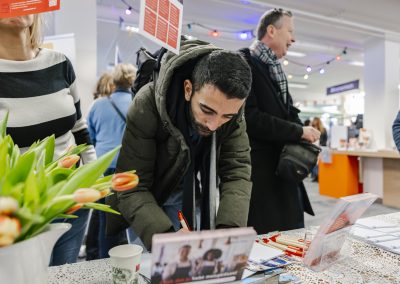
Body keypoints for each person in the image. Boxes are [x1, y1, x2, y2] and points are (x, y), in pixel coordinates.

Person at [110, 39, 253, 249]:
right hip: (146, 196)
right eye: (207, 110)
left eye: (226, 116)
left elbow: (237, 171)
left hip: (189, 191)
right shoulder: (146, 104)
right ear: (188, 89)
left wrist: (228, 232)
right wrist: (167, 239)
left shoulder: (234, 116)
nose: (214, 125)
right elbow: (131, 185)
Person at [0, 14, 96, 265]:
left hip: (72, 202)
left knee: (66, 276)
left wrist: (94, 179)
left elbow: (79, 126)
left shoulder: (60, 64)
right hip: (18, 215)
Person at [240, 8, 320, 234]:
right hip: (262, 178)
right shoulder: (246, 63)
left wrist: (307, 132)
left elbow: (286, 111)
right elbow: (251, 117)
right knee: (268, 242)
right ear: (272, 31)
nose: (293, 38)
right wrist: (298, 132)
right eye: (290, 31)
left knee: (292, 238)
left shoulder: (275, 70)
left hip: (284, 172)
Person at [86, 65, 136, 259]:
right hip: (126, 169)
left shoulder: (98, 105)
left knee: (102, 217)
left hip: (100, 167)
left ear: (114, 81)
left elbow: (89, 137)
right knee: (120, 219)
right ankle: (118, 261)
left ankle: (99, 261)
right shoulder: (136, 103)